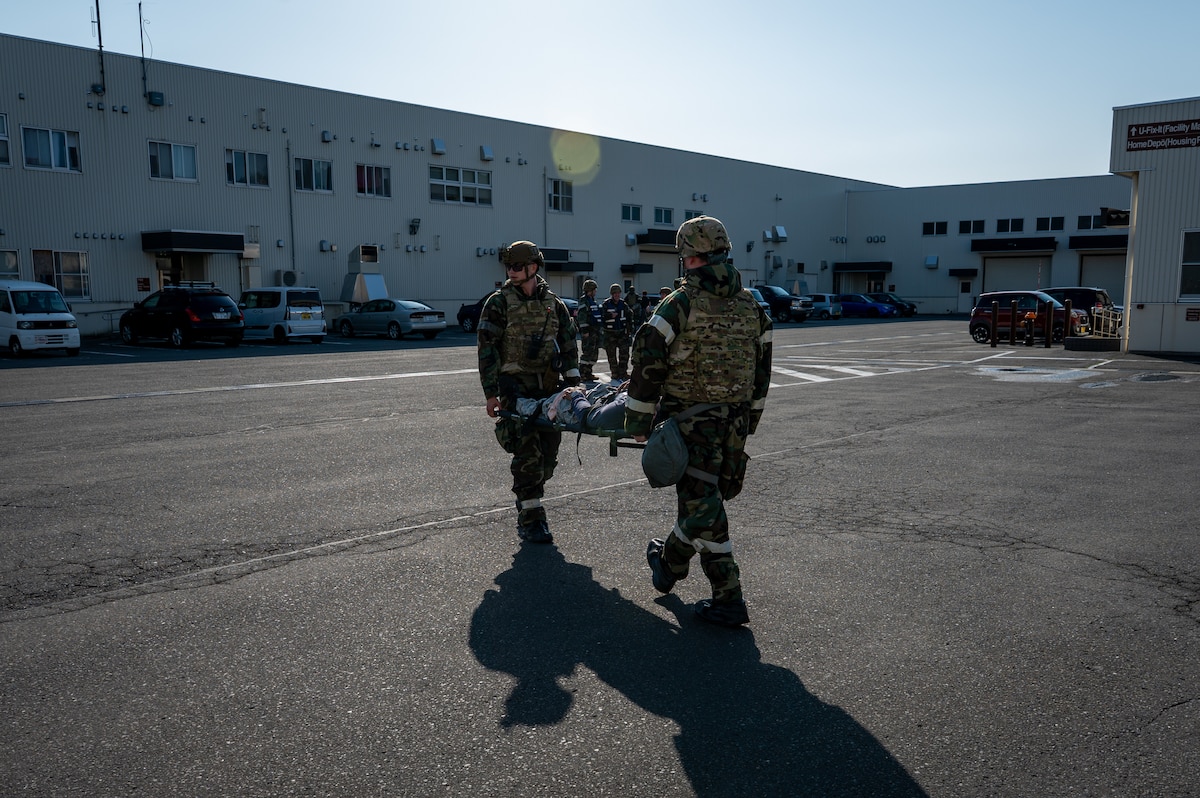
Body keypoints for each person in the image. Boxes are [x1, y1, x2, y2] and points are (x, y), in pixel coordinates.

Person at [624, 216, 772, 627]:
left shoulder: (680, 303)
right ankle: (670, 563)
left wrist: (637, 422)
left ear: (688, 257)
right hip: (734, 424)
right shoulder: (753, 307)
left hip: (691, 425)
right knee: (704, 504)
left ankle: (726, 596)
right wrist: (749, 422)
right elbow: (762, 371)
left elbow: (648, 360)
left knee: (703, 508)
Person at [478, 240, 581, 544]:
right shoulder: (498, 303)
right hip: (515, 387)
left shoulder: (554, 304)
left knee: (548, 456)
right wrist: (491, 393)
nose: (510, 271)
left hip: (548, 388)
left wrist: (574, 382)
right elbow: (487, 349)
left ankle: (529, 497)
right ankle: (532, 518)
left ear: (533, 267)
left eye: (517, 266)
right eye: (508, 266)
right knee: (528, 456)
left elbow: (568, 342)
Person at [600, 283, 631, 380]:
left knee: (624, 354)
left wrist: (629, 330)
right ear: (612, 294)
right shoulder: (606, 304)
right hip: (610, 333)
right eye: (615, 293)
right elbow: (601, 317)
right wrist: (609, 316)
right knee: (611, 355)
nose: (617, 295)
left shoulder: (623, 304)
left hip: (622, 333)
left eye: (618, 293)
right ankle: (614, 373)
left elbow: (629, 316)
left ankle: (623, 373)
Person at [576, 279, 603, 381]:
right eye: (594, 290)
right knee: (587, 353)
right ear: (590, 290)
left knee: (594, 353)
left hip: (595, 331)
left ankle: (588, 372)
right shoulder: (584, 301)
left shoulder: (592, 301)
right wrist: (585, 331)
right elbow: (582, 317)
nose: (595, 292)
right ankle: (582, 373)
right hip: (588, 331)